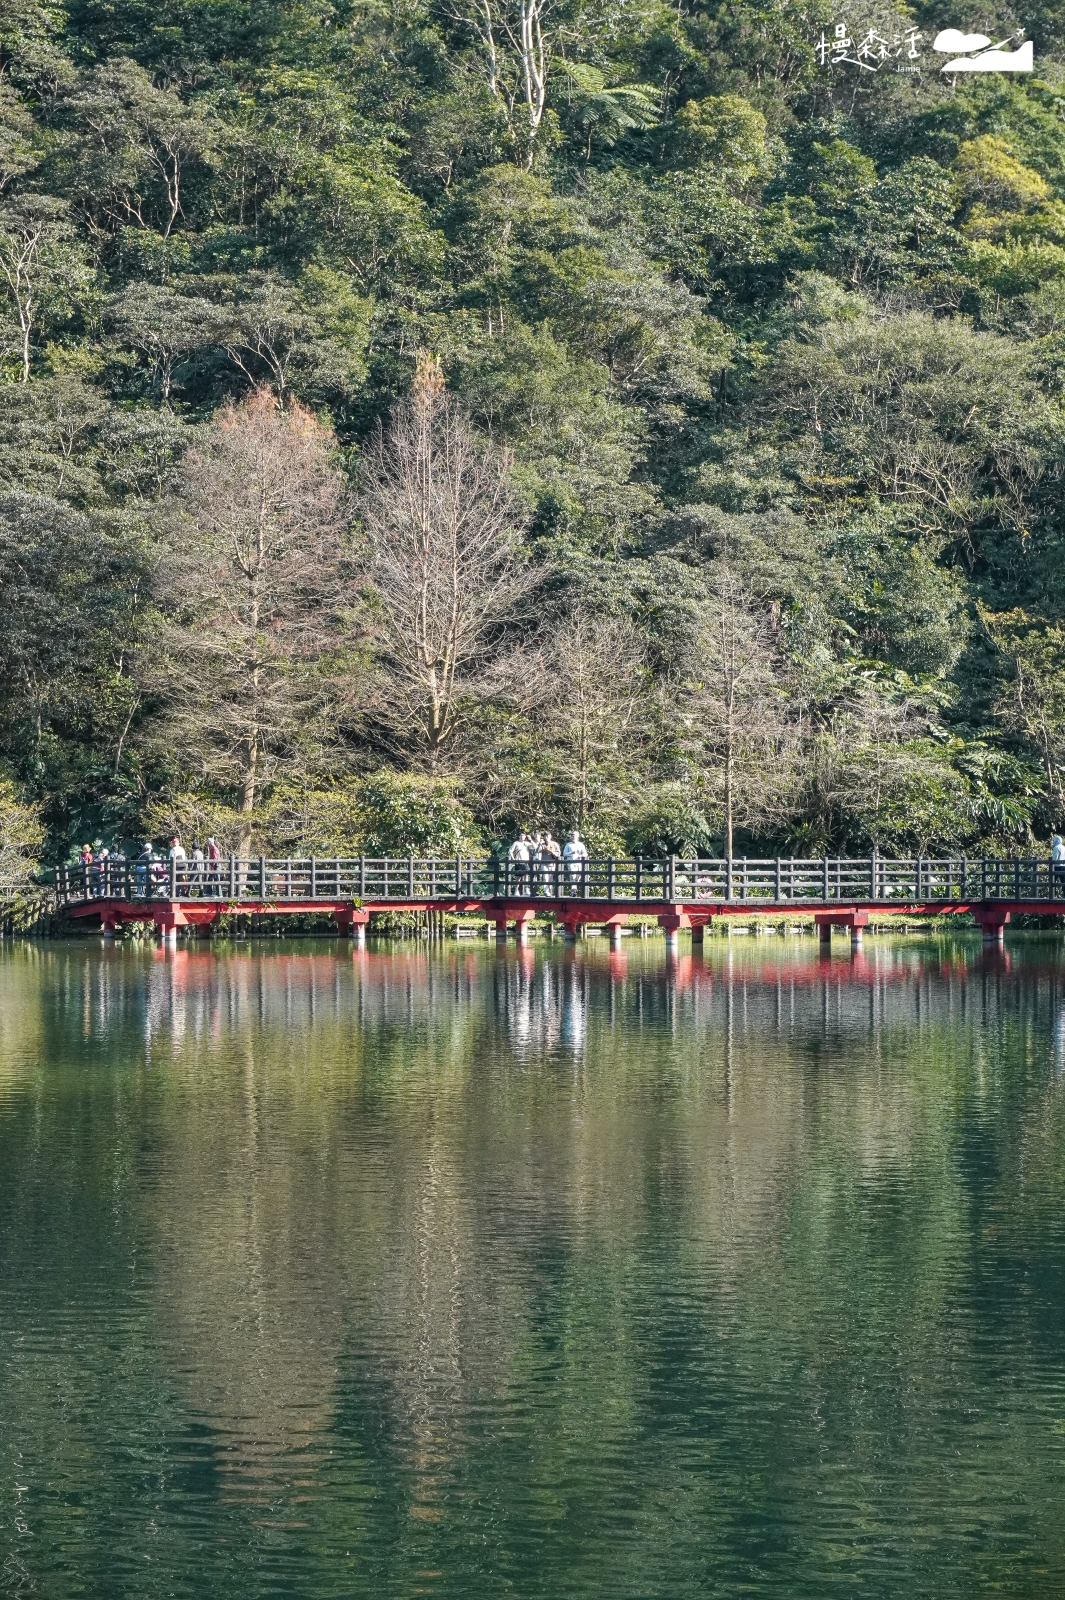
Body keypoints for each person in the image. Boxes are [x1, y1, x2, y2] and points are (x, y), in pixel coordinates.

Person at [539, 830, 562, 897]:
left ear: (550, 836)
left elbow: (559, 853)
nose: (546, 837)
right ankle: (546, 892)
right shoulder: (542, 844)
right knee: (545, 877)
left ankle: (550, 891)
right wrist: (540, 845)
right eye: (545, 836)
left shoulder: (554, 844)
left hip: (552, 863)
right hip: (544, 863)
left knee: (550, 878)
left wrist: (552, 852)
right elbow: (537, 851)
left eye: (548, 835)